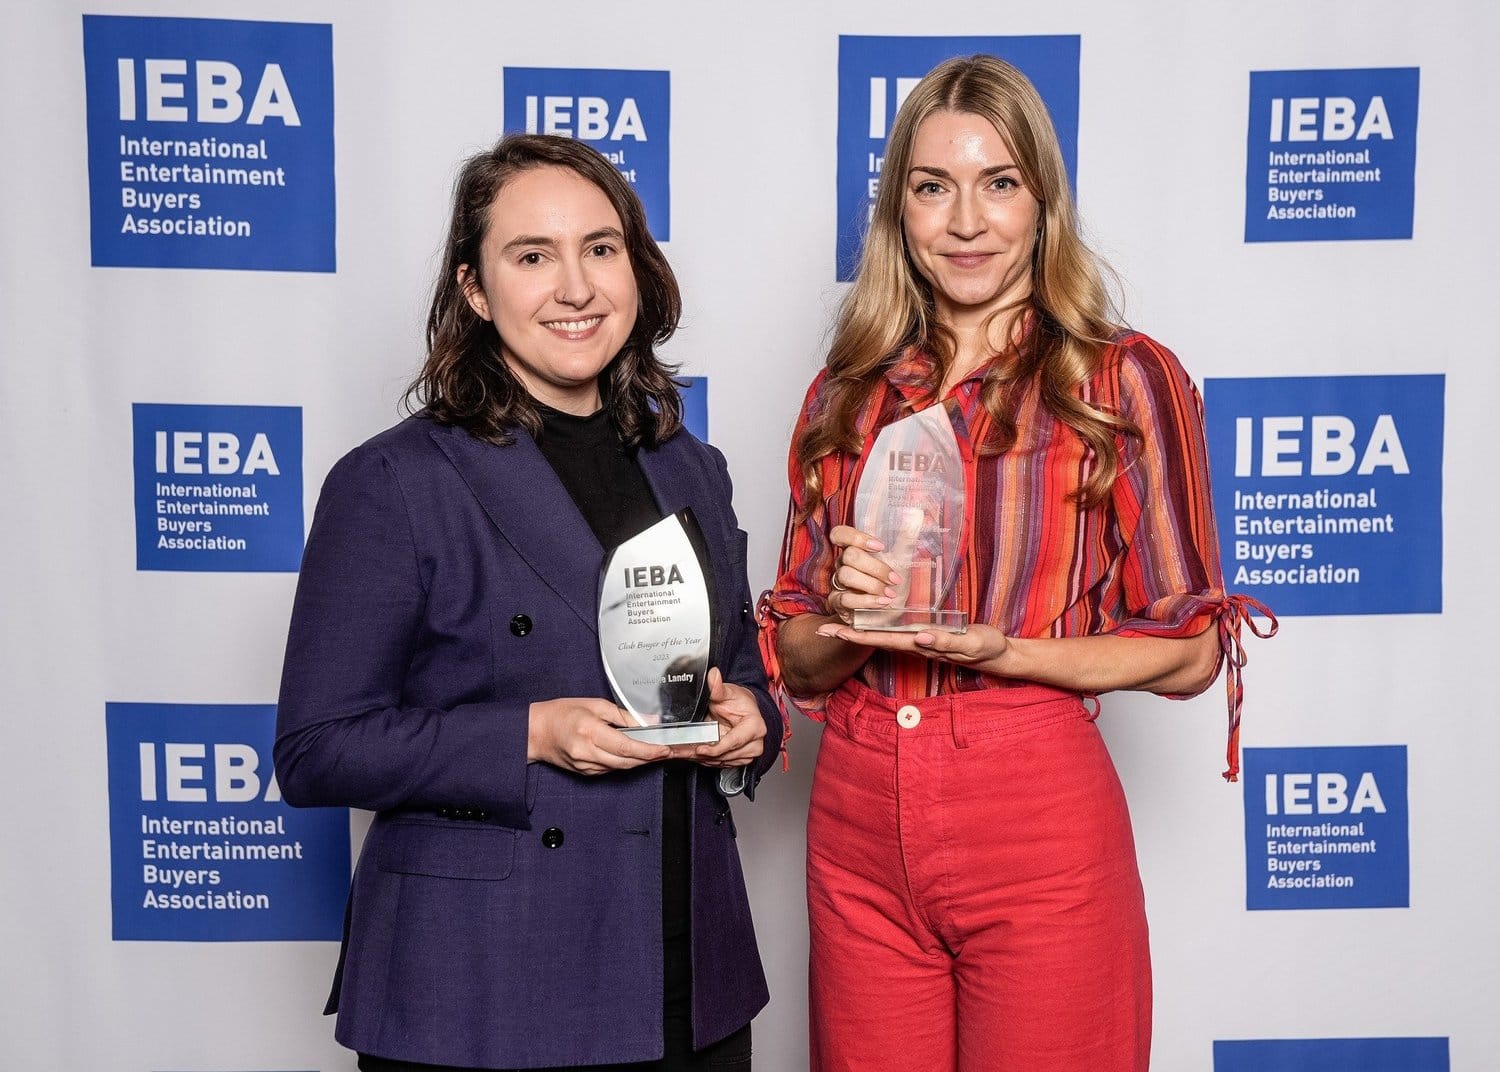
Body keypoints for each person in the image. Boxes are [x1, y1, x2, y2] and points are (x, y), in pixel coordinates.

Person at [758, 55, 1274, 1072]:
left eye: (998, 183)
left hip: (1033, 812)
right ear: (898, 210)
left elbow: (1190, 651)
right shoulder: (847, 390)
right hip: (856, 817)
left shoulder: (1121, 377)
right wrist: (846, 622)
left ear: (1042, 203)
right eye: (932, 186)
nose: (966, 221)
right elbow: (795, 651)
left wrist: (1011, 652)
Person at [276, 133, 779, 1072]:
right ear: (475, 289)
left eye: (600, 248)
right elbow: (317, 749)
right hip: (488, 984)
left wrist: (754, 723)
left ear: (636, 266)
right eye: (533, 256)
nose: (576, 287)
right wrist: (531, 734)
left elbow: (742, 673)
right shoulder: (394, 481)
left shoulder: (691, 469)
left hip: (690, 978)